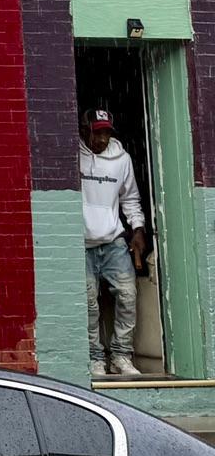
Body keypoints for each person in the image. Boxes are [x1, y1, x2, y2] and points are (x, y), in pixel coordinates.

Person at [81, 107, 147, 379]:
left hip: (113, 241)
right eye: (97, 133)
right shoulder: (73, 156)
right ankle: (95, 358)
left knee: (128, 295)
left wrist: (138, 228)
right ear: (85, 131)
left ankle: (121, 355)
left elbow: (130, 198)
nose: (102, 139)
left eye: (106, 133)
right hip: (81, 243)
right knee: (88, 303)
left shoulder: (122, 160)